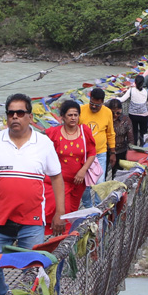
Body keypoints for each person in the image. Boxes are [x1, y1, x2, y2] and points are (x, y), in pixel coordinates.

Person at [0, 93, 64, 295]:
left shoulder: (44, 143)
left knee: (31, 272)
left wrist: (60, 213)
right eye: (11, 113)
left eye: (20, 113)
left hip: (32, 222)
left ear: (30, 117)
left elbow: (56, 178)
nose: (15, 117)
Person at [42, 99, 95, 234]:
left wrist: (83, 170)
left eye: (75, 115)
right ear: (63, 117)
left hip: (78, 182)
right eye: (70, 115)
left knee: (72, 213)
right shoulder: (54, 133)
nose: (73, 118)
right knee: (62, 211)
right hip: (60, 182)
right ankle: (61, 244)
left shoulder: (85, 131)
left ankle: (65, 242)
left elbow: (92, 153)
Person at [78, 87, 115, 205]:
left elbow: (110, 133)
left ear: (102, 102)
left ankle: (99, 207)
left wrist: (113, 152)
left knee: (100, 182)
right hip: (83, 154)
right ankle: (88, 207)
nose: (93, 106)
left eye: (97, 105)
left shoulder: (107, 112)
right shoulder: (80, 110)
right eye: (92, 103)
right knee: (84, 184)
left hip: (100, 154)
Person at [117, 74, 148, 146]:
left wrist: (114, 98)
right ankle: (143, 146)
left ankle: (134, 146)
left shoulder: (131, 90)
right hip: (143, 115)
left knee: (134, 131)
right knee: (143, 132)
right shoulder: (146, 92)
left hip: (133, 115)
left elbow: (122, 99)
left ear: (135, 82)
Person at [107, 98, 132, 179]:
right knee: (102, 174)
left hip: (121, 150)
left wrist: (131, 151)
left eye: (118, 113)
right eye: (112, 113)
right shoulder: (106, 119)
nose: (115, 115)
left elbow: (130, 137)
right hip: (106, 151)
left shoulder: (126, 120)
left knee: (117, 174)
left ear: (121, 110)